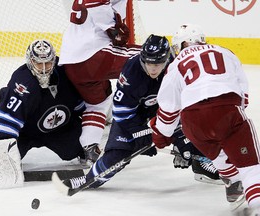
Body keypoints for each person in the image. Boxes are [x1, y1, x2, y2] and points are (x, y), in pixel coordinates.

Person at [59, 34, 216, 190]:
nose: (153, 68)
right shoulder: (132, 70)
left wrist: (181, 137)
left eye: (158, 63)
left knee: (195, 128)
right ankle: (89, 179)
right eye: (148, 63)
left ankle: (207, 163)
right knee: (118, 153)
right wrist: (140, 135)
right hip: (133, 114)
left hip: (165, 109)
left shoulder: (176, 68)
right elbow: (121, 111)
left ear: (167, 59)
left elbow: (184, 105)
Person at [149, 24, 260, 212]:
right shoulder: (225, 51)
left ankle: (233, 184)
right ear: (202, 40)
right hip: (227, 108)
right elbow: (243, 94)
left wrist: (161, 135)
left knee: (219, 153)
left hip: (193, 121)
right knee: (250, 167)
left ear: (178, 47)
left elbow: (168, 109)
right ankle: (257, 205)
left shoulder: (175, 65)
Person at [0, 39, 87, 188]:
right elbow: (6, 118)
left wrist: (90, 135)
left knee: (72, 151)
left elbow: (80, 104)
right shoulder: (23, 82)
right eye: (39, 64)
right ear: (30, 62)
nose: (44, 69)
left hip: (59, 130)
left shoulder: (66, 73)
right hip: (25, 132)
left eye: (48, 63)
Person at [58, 0, 141, 165]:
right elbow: (94, 2)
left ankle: (89, 148)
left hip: (72, 63)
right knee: (152, 57)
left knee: (98, 104)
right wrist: (112, 28)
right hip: (94, 56)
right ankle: (173, 111)